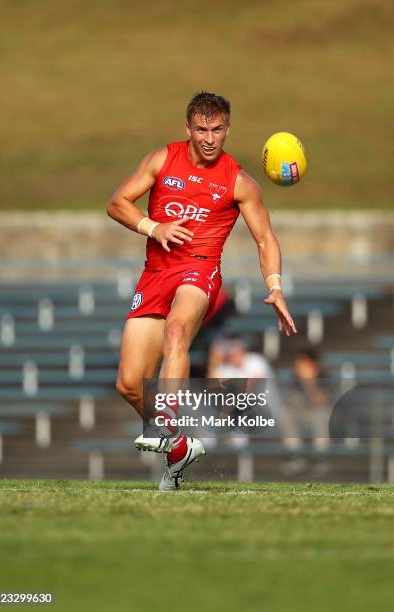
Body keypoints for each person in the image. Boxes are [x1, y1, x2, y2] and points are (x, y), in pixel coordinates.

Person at [107, 91, 297, 491]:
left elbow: (265, 239)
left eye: (218, 129)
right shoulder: (162, 159)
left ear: (228, 129)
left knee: (177, 332)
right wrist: (153, 227)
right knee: (129, 384)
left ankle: (166, 424)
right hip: (155, 273)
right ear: (188, 129)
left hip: (200, 270)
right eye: (202, 129)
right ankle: (178, 448)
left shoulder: (239, 181)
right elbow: (118, 203)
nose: (210, 138)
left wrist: (275, 287)